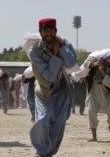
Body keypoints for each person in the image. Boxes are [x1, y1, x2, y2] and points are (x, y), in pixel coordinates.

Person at [29, 18, 77, 157]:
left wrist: (61, 48)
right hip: (44, 90)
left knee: (59, 123)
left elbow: (71, 63)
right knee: (43, 118)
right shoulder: (35, 51)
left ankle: (49, 153)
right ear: (41, 32)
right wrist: (55, 55)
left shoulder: (65, 44)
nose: (48, 33)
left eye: (51, 29)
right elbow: (49, 76)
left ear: (55, 31)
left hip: (62, 90)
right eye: (45, 30)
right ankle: (41, 151)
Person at [83, 52, 110, 142]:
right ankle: (94, 136)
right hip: (94, 92)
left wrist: (102, 71)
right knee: (91, 111)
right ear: (108, 59)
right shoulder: (99, 61)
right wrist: (96, 64)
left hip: (108, 93)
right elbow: (85, 64)